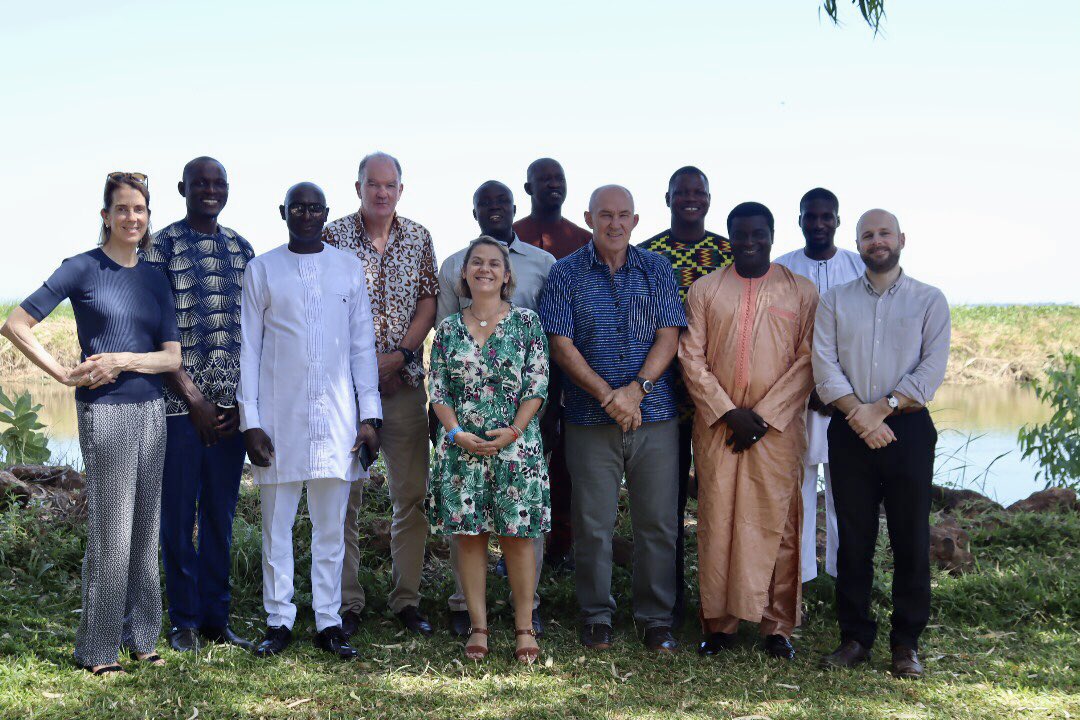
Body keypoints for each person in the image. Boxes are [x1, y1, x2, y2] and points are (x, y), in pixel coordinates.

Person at [1, 173, 181, 675]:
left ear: (148, 217)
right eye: (122, 209)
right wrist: (62, 373)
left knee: (147, 532)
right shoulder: (82, 268)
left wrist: (122, 359)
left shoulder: (154, 278)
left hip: (152, 413)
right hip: (106, 414)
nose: (131, 218)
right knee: (112, 533)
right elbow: (15, 324)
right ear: (105, 215)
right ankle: (97, 651)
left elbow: (171, 358)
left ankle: (142, 637)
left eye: (140, 210)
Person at [237, 182, 382, 660]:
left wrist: (370, 417)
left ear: (326, 213)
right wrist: (250, 421)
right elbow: (250, 349)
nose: (306, 214)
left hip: (338, 422)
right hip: (278, 420)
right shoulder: (262, 269)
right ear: (283, 212)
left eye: (314, 208)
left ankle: (328, 620)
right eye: (297, 207)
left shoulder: (348, 268)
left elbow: (362, 347)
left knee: (330, 528)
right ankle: (278, 619)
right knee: (276, 528)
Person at [539, 185, 686, 654]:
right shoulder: (564, 274)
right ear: (589, 218)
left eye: (623, 215)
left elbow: (669, 336)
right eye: (605, 215)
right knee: (593, 523)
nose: (615, 223)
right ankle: (596, 616)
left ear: (636, 221)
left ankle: (656, 618)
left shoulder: (657, 269)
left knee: (658, 523)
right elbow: (561, 344)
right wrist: (608, 396)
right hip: (588, 418)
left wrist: (635, 390)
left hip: (655, 415)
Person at [813, 209, 950, 679]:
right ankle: (854, 638)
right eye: (867, 235)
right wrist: (859, 413)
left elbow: (931, 370)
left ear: (901, 239)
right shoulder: (833, 301)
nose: (877, 241)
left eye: (884, 233)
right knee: (853, 540)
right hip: (850, 430)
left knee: (910, 538)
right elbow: (824, 366)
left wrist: (883, 408)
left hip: (908, 430)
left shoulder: (930, 300)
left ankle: (906, 644)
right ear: (858, 244)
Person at [678, 202, 818, 661]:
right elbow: (690, 357)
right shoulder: (705, 290)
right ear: (730, 237)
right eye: (740, 234)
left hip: (776, 432)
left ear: (773, 235)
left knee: (777, 523)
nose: (749, 241)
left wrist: (763, 416)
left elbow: (808, 360)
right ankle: (719, 625)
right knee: (718, 523)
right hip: (719, 428)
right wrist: (726, 411)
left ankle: (777, 627)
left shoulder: (801, 291)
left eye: (758, 233)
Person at [142, 157, 255, 653]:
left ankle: (216, 619)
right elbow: (154, 332)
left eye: (218, 183)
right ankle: (183, 620)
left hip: (230, 414)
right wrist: (193, 399)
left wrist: (242, 405)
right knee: (177, 517)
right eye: (200, 183)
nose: (210, 190)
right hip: (177, 411)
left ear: (227, 189)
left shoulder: (241, 248)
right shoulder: (160, 248)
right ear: (183, 188)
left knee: (219, 517)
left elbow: (254, 333)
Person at [323, 152, 437, 638]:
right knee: (344, 497)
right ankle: (346, 602)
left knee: (411, 496)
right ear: (359, 187)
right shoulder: (333, 237)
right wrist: (364, 365)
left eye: (390, 185)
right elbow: (322, 306)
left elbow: (429, 298)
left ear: (400, 190)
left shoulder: (419, 236)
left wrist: (403, 353)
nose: (382, 193)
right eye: (374, 184)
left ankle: (405, 600)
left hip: (404, 385)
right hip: (346, 391)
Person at [436, 180, 555, 638]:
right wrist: (454, 433)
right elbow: (439, 390)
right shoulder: (447, 330)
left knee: (519, 539)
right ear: (464, 274)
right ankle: (479, 628)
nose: (484, 270)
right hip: (462, 447)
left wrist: (514, 431)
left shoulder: (527, 322)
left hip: (515, 447)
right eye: (476, 263)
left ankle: (525, 627)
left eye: (494, 264)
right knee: (469, 539)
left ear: (508, 275)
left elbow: (536, 384)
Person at [638, 166, 733, 625]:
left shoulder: (730, 253)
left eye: (699, 192)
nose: (690, 199)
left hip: (722, 402)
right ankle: (668, 600)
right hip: (663, 400)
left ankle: (721, 601)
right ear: (668, 197)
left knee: (721, 503)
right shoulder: (646, 254)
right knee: (666, 507)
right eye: (682, 192)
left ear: (710, 199)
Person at [774, 187, 865, 584]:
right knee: (799, 486)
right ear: (800, 221)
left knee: (847, 488)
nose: (818, 224)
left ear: (838, 221)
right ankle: (802, 579)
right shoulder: (781, 269)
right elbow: (776, 337)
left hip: (850, 398)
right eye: (810, 217)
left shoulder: (860, 267)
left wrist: (837, 391)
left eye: (826, 217)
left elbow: (866, 335)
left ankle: (848, 578)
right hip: (797, 397)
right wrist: (808, 388)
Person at [512, 157, 592, 569]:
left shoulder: (582, 238)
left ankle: (563, 542)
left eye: (558, 178)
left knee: (565, 460)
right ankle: (515, 545)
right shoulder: (512, 236)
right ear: (528, 189)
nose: (552, 185)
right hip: (516, 371)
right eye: (542, 180)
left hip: (573, 365)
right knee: (518, 457)